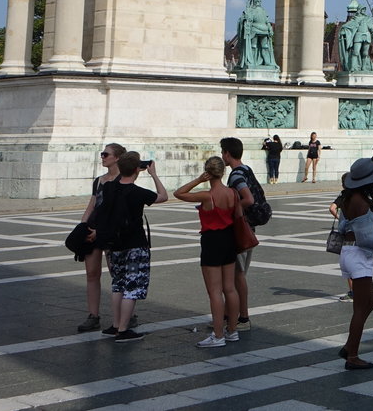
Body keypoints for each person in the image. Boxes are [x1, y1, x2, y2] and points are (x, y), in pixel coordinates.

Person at [87, 152, 167, 342]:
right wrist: (154, 174)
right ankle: (123, 330)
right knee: (132, 286)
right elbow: (163, 196)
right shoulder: (138, 192)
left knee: (118, 285)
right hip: (134, 244)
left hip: (114, 245)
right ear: (137, 170)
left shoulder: (108, 188)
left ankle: (115, 325)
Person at [173, 157, 240, 347]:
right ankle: (232, 331)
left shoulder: (206, 196)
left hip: (212, 241)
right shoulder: (232, 193)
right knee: (230, 288)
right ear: (223, 172)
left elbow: (179, 193)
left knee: (214, 291)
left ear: (208, 172)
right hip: (229, 239)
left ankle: (218, 335)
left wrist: (198, 180)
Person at [335, 157, 373, 369]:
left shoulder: (350, 198)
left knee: (371, 300)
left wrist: (371, 220)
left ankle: (349, 346)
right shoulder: (361, 201)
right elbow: (366, 239)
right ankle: (352, 356)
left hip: (349, 252)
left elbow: (345, 227)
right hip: (358, 255)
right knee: (361, 308)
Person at [77, 143, 128, 333]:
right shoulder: (99, 181)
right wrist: (82, 227)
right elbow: (91, 205)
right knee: (92, 274)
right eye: (102, 154)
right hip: (93, 229)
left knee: (117, 274)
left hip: (111, 232)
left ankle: (126, 314)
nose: (103, 157)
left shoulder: (124, 180)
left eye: (106, 154)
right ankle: (93, 315)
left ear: (117, 158)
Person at [220, 137, 258, 331]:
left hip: (241, 229)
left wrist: (230, 210)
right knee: (235, 275)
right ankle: (228, 316)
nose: (222, 156)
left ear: (227, 153)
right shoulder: (246, 169)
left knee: (238, 275)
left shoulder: (236, 175)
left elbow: (248, 199)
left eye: (222, 152)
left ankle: (243, 319)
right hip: (248, 227)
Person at [236, 0, 276, 69]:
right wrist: (246, 20)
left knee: (265, 46)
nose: (258, 3)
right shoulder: (250, 10)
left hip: (264, 30)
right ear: (253, 1)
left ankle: (267, 62)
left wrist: (269, 28)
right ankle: (252, 61)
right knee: (253, 46)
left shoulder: (263, 11)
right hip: (254, 30)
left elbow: (267, 21)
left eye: (259, 1)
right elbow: (246, 19)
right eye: (256, 1)